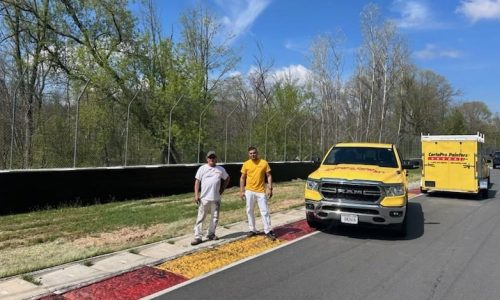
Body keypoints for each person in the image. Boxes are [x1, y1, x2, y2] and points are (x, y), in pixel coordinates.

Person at [191, 151, 230, 246]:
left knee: (215, 218)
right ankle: (198, 237)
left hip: (216, 198)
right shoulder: (202, 168)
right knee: (201, 217)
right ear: (207, 159)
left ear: (216, 158)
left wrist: (222, 190)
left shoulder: (220, 169)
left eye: (213, 157)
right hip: (204, 198)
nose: (211, 159)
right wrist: (196, 195)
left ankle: (211, 234)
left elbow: (227, 178)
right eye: (210, 158)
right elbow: (197, 182)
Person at [239, 146, 277, 241]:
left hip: (261, 191)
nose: (253, 155)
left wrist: (270, 188)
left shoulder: (263, 163)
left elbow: (269, 176)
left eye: (254, 153)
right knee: (249, 210)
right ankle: (252, 229)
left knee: (264, 211)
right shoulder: (246, 164)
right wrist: (241, 191)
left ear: (257, 153)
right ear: (248, 154)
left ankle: (268, 230)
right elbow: (242, 178)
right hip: (249, 191)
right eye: (251, 153)